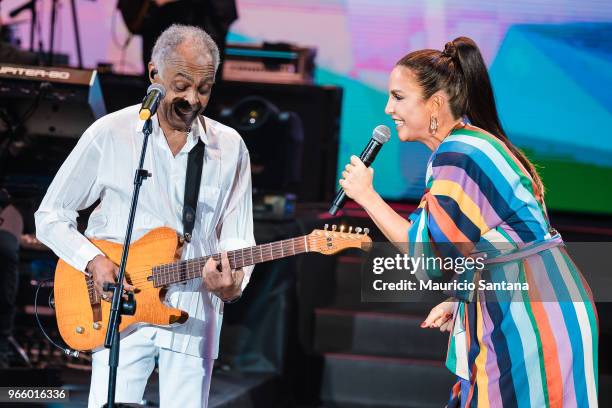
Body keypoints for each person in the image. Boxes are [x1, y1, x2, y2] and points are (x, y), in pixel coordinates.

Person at [339, 37, 598, 407]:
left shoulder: (458, 153)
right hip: (536, 301)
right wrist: (464, 296)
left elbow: (427, 256)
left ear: (436, 104)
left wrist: (366, 195)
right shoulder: (466, 146)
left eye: (398, 97)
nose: (387, 108)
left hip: (533, 316)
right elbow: (494, 243)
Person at [35, 24, 254, 407]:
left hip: (193, 310)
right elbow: (50, 215)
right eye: (182, 85)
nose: (194, 99)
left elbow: (237, 237)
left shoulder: (230, 147)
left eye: (204, 89)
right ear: (155, 74)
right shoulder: (111, 134)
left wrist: (233, 286)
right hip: (121, 307)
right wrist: (93, 261)